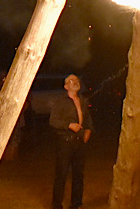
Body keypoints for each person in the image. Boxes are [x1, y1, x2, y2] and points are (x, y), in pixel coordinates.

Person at [51, 73, 92, 209]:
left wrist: (88, 130)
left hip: (79, 143)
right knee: (61, 175)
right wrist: (69, 125)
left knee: (78, 175)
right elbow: (53, 121)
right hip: (65, 142)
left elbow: (87, 118)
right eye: (71, 81)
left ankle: (76, 204)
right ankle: (57, 205)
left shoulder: (82, 100)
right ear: (66, 86)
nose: (75, 82)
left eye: (76, 80)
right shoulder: (60, 102)